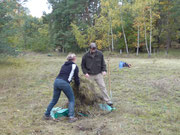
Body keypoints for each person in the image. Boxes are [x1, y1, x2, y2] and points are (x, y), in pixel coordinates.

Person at [44, 53, 80, 123]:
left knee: (54, 100)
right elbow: (76, 78)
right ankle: (71, 117)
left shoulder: (64, 65)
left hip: (56, 81)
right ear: (74, 59)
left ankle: (47, 115)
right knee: (71, 99)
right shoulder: (74, 66)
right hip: (64, 83)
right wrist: (78, 86)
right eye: (75, 57)